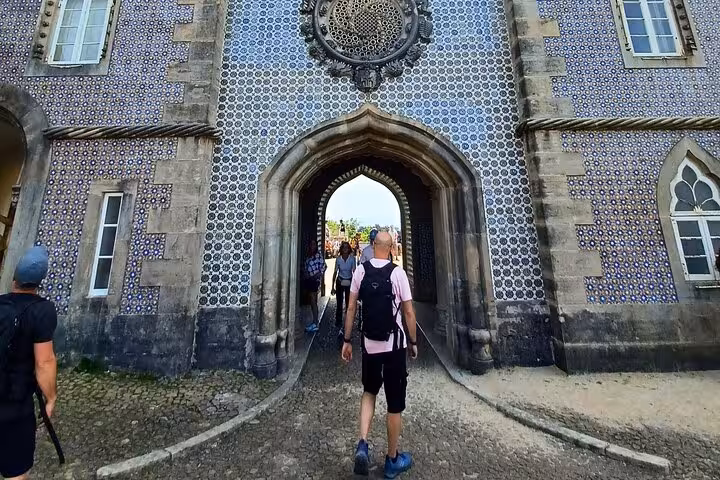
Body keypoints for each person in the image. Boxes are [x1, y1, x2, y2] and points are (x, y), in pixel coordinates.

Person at [341, 232, 418, 479]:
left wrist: (347, 339)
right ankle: (392, 459)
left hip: (369, 345)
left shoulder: (361, 271)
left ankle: (362, 442)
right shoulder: (398, 273)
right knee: (394, 404)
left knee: (369, 391)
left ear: (373, 246)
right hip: (394, 347)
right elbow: (408, 312)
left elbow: (351, 306)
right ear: (393, 247)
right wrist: (413, 341)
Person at [0, 246, 58, 480]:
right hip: (14, 405)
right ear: (39, 282)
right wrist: (51, 398)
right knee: (16, 473)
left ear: (14, 277)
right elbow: (44, 361)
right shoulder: (42, 310)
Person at [331, 241, 356, 335]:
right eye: (343, 247)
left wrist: (356, 286)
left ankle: (348, 320)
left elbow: (355, 271)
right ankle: (338, 321)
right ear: (341, 249)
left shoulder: (352, 259)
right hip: (340, 281)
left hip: (349, 281)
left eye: (347, 247)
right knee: (339, 302)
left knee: (349, 303)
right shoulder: (338, 259)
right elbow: (335, 272)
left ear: (349, 249)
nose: (345, 249)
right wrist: (332, 286)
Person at [302, 240, 326, 333]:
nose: (312, 246)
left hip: (314, 281)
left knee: (313, 301)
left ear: (316, 246)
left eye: (313, 244)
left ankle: (315, 323)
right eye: (311, 244)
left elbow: (323, 267)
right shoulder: (309, 256)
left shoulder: (318, 256)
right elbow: (305, 266)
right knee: (311, 301)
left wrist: (316, 275)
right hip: (308, 280)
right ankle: (314, 322)